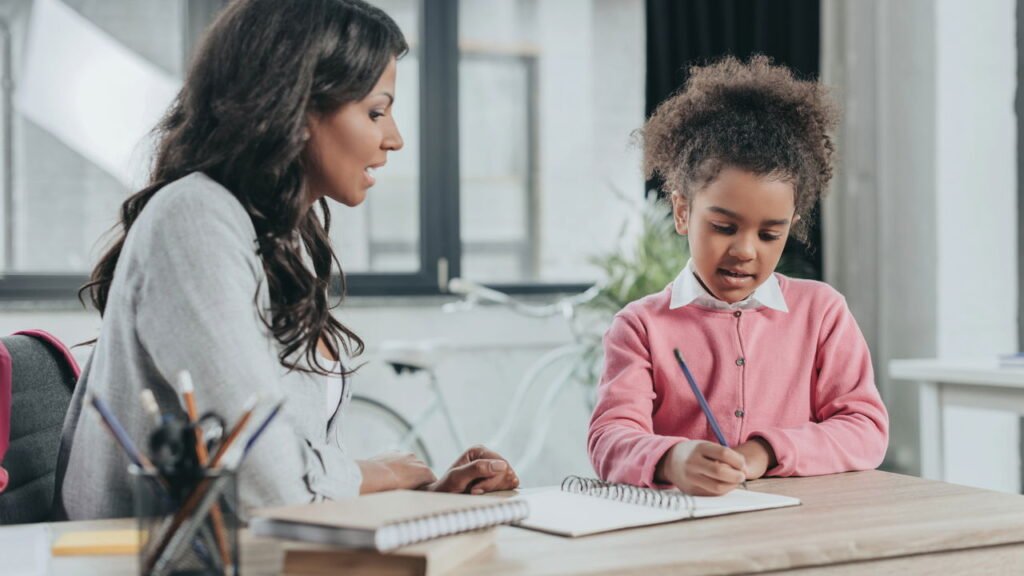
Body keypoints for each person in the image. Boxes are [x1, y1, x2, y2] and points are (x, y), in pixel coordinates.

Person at [54, 0, 517, 520]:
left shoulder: (280, 236)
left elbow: (285, 474)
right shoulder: (196, 218)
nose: (395, 138)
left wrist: (416, 497)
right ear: (297, 108)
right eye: (375, 111)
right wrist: (375, 474)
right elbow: (266, 483)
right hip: (155, 556)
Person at [587, 56, 888, 496]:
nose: (745, 251)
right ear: (683, 211)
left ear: (792, 224)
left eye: (770, 233)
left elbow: (865, 429)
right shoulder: (640, 327)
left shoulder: (822, 313)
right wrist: (673, 459)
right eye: (724, 227)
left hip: (801, 532)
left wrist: (764, 452)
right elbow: (609, 439)